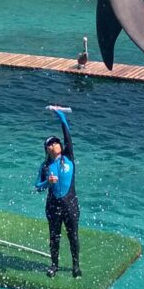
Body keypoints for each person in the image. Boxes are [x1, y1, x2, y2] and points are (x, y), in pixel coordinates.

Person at [34, 108, 81, 278]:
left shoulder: (68, 156)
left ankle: (76, 266)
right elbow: (37, 187)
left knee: (73, 235)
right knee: (54, 236)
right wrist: (47, 182)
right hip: (53, 206)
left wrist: (59, 115)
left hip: (71, 204)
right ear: (47, 149)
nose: (56, 145)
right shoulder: (45, 166)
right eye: (51, 144)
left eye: (57, 142)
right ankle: (54, 265)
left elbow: (67, 134)